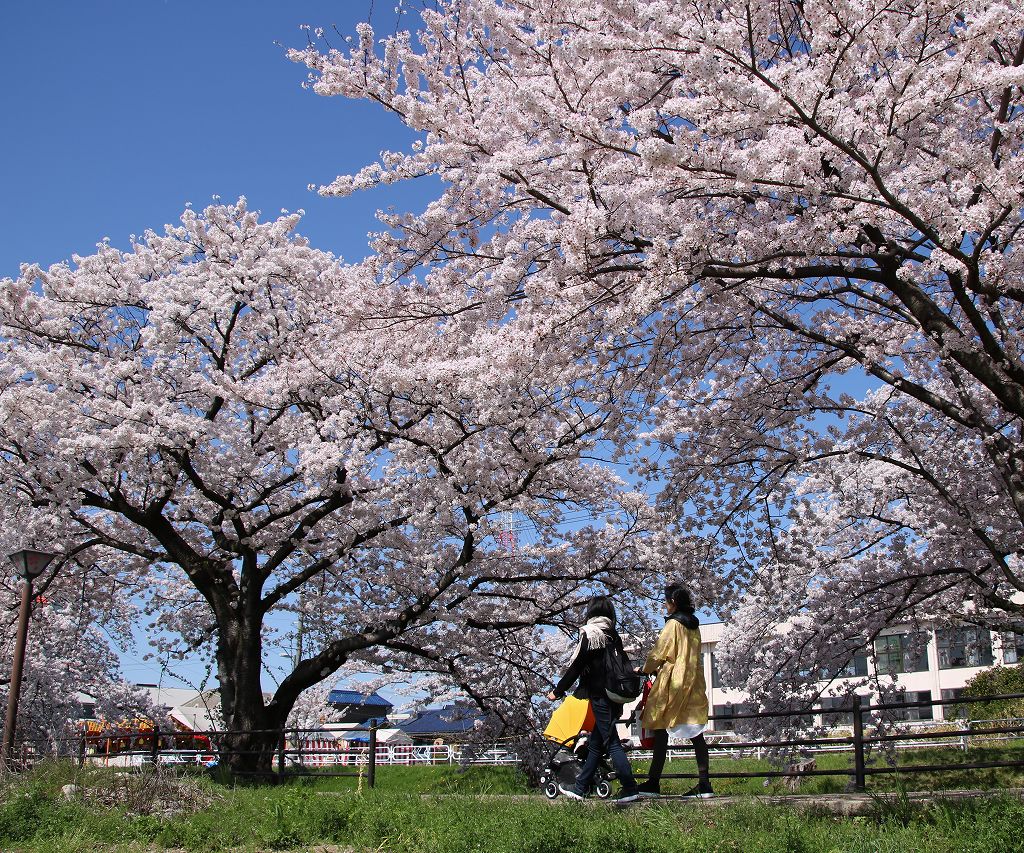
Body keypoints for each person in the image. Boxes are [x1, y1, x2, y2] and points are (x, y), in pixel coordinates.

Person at [546, 595, 641, 803]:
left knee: (612, 743)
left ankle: (630, 787)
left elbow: (577, 665)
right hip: (616, 697)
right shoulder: (612, 634)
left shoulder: (590, 633)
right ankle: (579, 789)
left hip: (600, 695)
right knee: (596, 744)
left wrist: (558, 690)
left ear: (591, 612)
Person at [638, 584, 713, 798]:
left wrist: (645, 669)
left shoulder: (673, 624)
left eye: (666, 601)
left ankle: (653, 782)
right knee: (697, 734)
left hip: (674, 682)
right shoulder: (694, 625)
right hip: (694, 681)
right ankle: (704, 783)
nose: (665, 605)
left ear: (673, 602)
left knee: (661, 729)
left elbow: (659, 652)